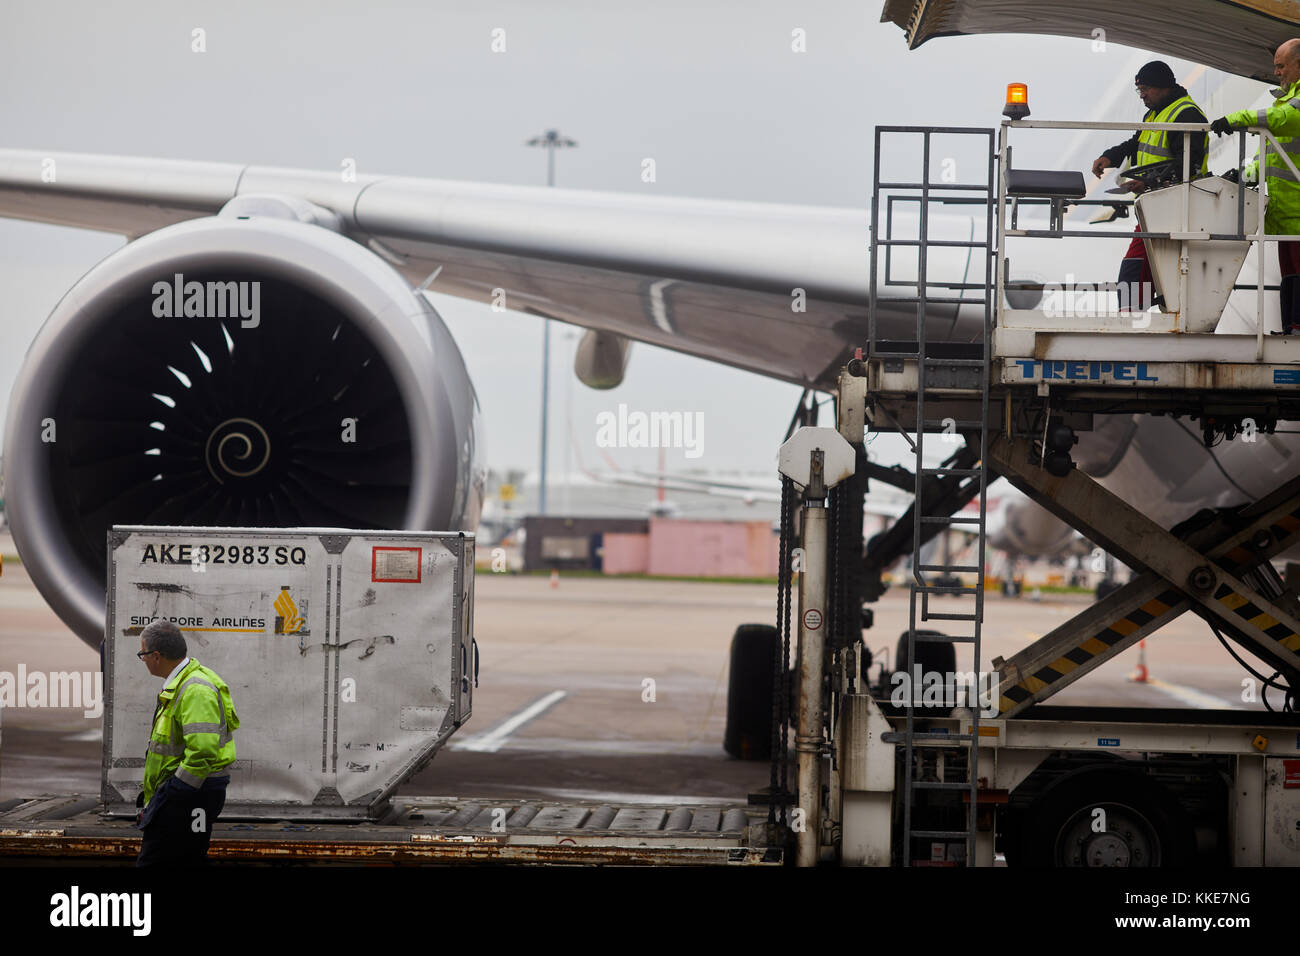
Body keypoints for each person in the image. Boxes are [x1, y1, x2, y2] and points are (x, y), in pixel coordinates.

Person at [1091, 61, 1209, 313]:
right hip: (1156, 207)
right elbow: (1136, 144)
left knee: (1135, 266)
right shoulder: (1155, 113)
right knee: (1154, 271)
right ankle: (1138, 317)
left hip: (1176, 208)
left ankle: (1131, 320)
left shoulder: (1186, 115)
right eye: (1139, 90)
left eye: (1145, 89)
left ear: (1163, 86)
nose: (1142, 95)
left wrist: (1149, 182)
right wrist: (1110, 157)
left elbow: (1189, 166)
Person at [1211, 39, 1300, 334]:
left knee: (1297, 272)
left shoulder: (1292, 105)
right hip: (1285, 209)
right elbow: (1271, 156)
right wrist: (1241, 173)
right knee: (1290, 274)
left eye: (1280, 66)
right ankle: (1290, 328)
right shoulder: (1286, 99)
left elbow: (1283, 120)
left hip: (1297, 209)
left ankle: (1296, 328)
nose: (1276, 72)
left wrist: (1238, 119)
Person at [135, 620, 238, 866]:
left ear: (157, 656)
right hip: (189, 795)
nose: (143, 660)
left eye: (143, 654)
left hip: (190, 796)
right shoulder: (184, 682)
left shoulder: (194, 690)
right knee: (187, 859)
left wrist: (174, 792)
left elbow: (202, 751)